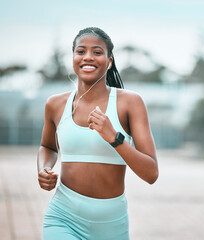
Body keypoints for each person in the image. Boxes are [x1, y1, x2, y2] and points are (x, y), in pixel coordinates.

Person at [37, 27, 159, 240]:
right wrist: (44, 168)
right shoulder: (55, 104)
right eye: (81, 51)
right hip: (63, 217)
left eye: (97, 52)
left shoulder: (130, 103)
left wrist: (114, 137)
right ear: (73, 57)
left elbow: (151, 174)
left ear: (109, 61)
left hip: (111, 225)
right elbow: (47, 147)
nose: (88, 57)